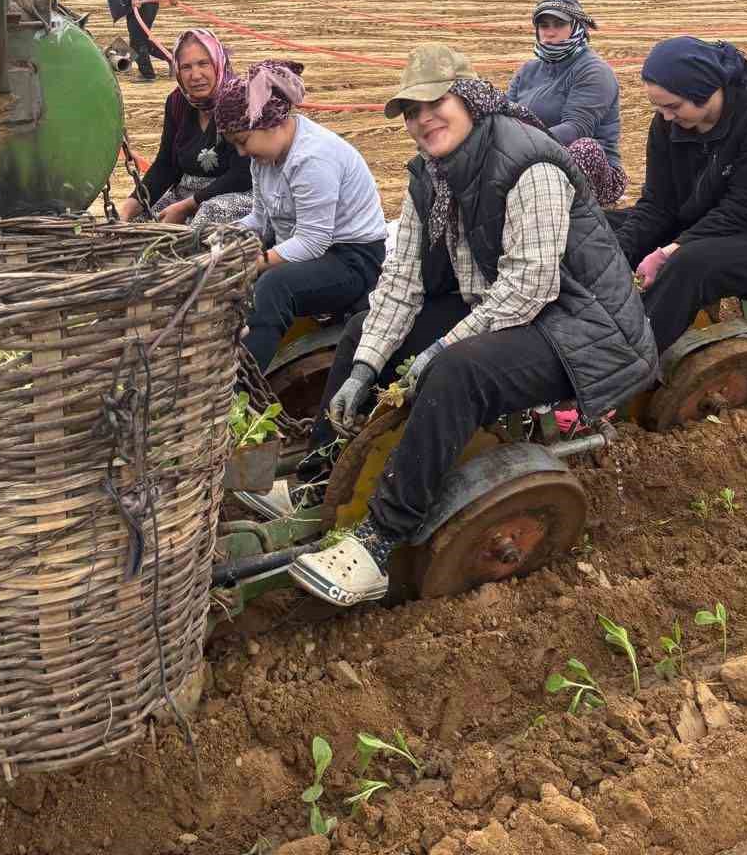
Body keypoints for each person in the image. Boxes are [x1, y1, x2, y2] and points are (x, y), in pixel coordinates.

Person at [271, 44, 655, 608]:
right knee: (362, 333)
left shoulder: (529, 163)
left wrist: (441, 348)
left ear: (470, 100)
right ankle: (319, 479)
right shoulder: (431, 174)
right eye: (411, 111)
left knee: (457, 371)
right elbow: (401, 281)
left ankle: (380, 539)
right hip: (508, 306)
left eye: (435, 103)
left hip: (582, 324)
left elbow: (531, 286)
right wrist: (364, 368)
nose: (422, 119)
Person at [609, 36, 747, 356]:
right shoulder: (666, 125)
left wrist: (669, 251)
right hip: (698, 223)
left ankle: (626, 361)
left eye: (674, 106)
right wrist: (615, 252)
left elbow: (745, 208)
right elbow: (658, 204)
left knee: (688, 263)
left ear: (704, 90)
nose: (667, 117)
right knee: (601, 228)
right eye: (659, 108)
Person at [216, 60, 388, 371]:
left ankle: (242, 383)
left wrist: (256, 263)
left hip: (352, 258)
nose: (242, 153)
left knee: (273, 287)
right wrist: (222, 237)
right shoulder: (263, 160)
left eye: (243, 141)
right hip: (311, 250)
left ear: (270, 123)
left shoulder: (312, 158)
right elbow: (260, 219)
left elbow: (313, 241)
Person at [117, 29, 253, 231]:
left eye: (203, 64)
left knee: (203, 220)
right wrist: (132, 203)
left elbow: (243, 174)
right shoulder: (177, 102)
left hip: (235, 194)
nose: (195, 75)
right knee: (141, 222)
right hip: (185, 194)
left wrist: (189, 206)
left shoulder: (238, 100)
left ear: (218, 63)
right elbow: (166, 165)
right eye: (186, 67)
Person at [507, 0, 626, 206]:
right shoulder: (527, 71)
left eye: (559, 25)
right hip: (531, 159)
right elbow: (506, 118)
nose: (550, 32)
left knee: (584, 149)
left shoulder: (593, 71)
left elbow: (576, 128)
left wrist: (521, 146)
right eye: (544, 26)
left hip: (594, 169)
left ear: (577, 27)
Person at [99, 0, 173, 81]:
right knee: (142, 38)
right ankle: (171, 57)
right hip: (151, 4)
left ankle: (147, 75)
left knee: (137, 42)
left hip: (140, 6)